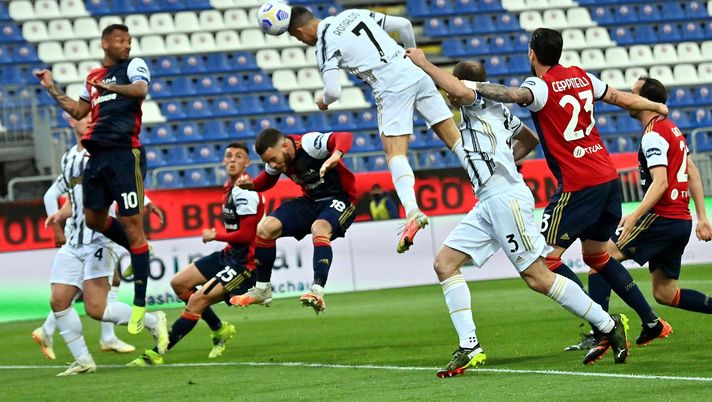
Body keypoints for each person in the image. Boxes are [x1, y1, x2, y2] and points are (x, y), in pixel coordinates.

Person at [406, 49, 629, 376]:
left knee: (538, 277)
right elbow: (529, 138)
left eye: (455, 88)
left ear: (466, 83)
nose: (452, 97)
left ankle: (608, 325)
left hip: (505, 198)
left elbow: (457, 90)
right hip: (489, 201)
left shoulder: (475, 100)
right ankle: (470, 345)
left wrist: (424, 63)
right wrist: (507, 161)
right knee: (445, 263)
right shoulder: (496, 110)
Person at [471, 28, 672, 362]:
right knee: (597, 257)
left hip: (580, 186)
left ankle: (603, 324)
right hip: (608, 179)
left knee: (544, 260)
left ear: (532, 53)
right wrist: (656, 106)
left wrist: (471, 87)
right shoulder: (582, 77)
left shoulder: (537, 86)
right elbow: (623, 99)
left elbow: (510, 94)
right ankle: (651, 321)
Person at [287, 7, 470, 253]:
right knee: (455, 138)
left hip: (390, 85)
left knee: (396, 154)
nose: (305, 42)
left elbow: (333, 92)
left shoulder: (325, 41)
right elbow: (405, 24)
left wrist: (323, 101)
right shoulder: (351, 14)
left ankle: (413, 211)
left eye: (300, 39)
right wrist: (414, 57)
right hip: (416, 71)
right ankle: (486, 183)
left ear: (301, 31)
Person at [35, 23, 152, 334]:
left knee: (132, 226)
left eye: (129, 40)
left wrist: (112, 89)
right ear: (105, 43)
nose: (127, 45)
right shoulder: (92, 78)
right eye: (120, 40)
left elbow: (141, 90)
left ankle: (140, 303)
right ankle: (139, 249)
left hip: (125, 154)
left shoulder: (133, 67)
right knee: (93, 219)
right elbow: (77, 111)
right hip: (96, 157)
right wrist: (50, 87)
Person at [35, 115, 168, 376]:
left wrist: (147, 200)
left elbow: (121, 184)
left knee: (96, 308)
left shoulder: (103, 155)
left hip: (99, 239)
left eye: (91, 119)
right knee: (58, 300)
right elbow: (74, 198)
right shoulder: (68, 158)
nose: (88, 122)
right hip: (74, 240)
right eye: (83, 118)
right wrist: (60, 218)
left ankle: (154, 322)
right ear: (73, 123)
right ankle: (84, 361)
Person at [128, 142, 264, 366]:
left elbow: (247, 236)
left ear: (247, 163)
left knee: (197, 301)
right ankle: (220, 329)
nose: (232, 160)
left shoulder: (245, 192)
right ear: (223, 160)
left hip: (246, 264)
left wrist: (215, 235)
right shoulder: (228, 187)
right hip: (230, 254)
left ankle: (156, 353)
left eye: (238, 157)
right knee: (179, 284)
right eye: (228, 156)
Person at [598, 77, 712, 322]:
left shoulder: (653, 135)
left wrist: (634, 215)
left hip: (661, 216)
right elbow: (691, 170)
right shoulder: (672, 129)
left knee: (599, 257)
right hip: (680, 221)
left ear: (646, 101)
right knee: (665, 293)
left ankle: (604, 331)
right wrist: (702, 218)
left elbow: (660, 182)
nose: (629, 97)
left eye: (634, 92)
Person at [231, 129, 356, 314]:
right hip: (311, 202)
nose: (272, 165)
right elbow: (267, 180)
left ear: (284, 145)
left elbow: (344, 136)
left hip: (341, 199)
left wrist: (335, 155)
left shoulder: (309, 144)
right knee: (265, 228)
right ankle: (262, 289)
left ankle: (317, 291)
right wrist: (252, 186)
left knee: (319, 228)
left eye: (273, 159)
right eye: (268, 162)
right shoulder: (277, 160)